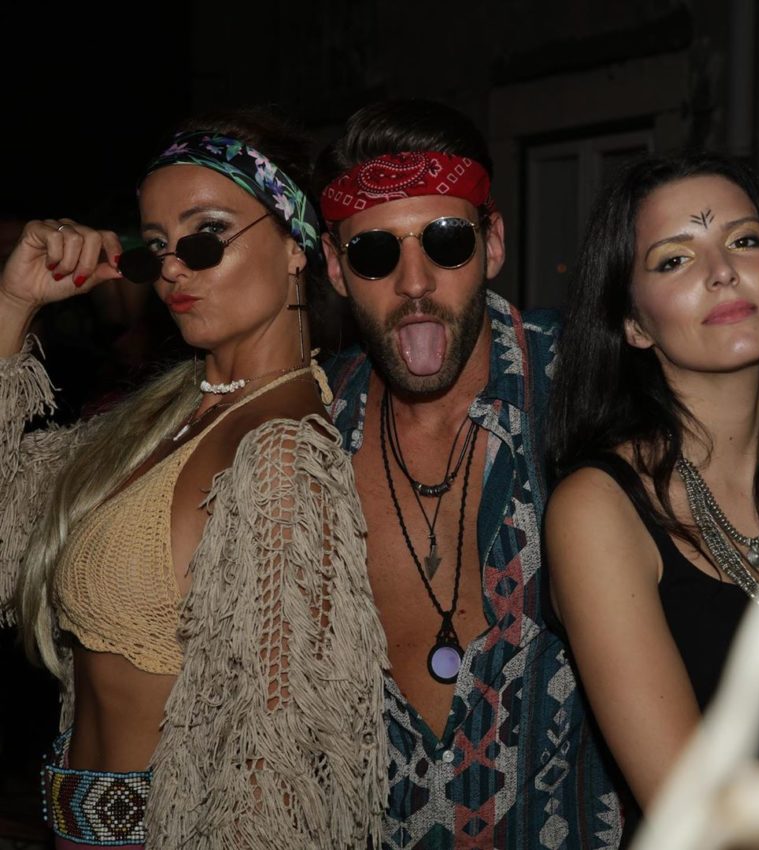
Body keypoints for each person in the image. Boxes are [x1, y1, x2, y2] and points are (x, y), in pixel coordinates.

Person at [0, 108, 387, 849]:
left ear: (296, 244)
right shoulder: (160, 418)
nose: (174, 267)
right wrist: (14, 305)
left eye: (206, 235)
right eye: (157, 247)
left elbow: (275, 769)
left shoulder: (281, 455)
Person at [314, 99, 620, 850]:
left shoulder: (596, 389)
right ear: (334, 268)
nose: (415, 282)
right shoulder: (304, 431)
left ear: (494, 242)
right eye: (375, 254)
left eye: (447, 242)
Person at [544, 150, 759, 840]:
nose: (722, 271)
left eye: (745, 240)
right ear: (633, 323)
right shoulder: (600, 510)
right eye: (674, 260)